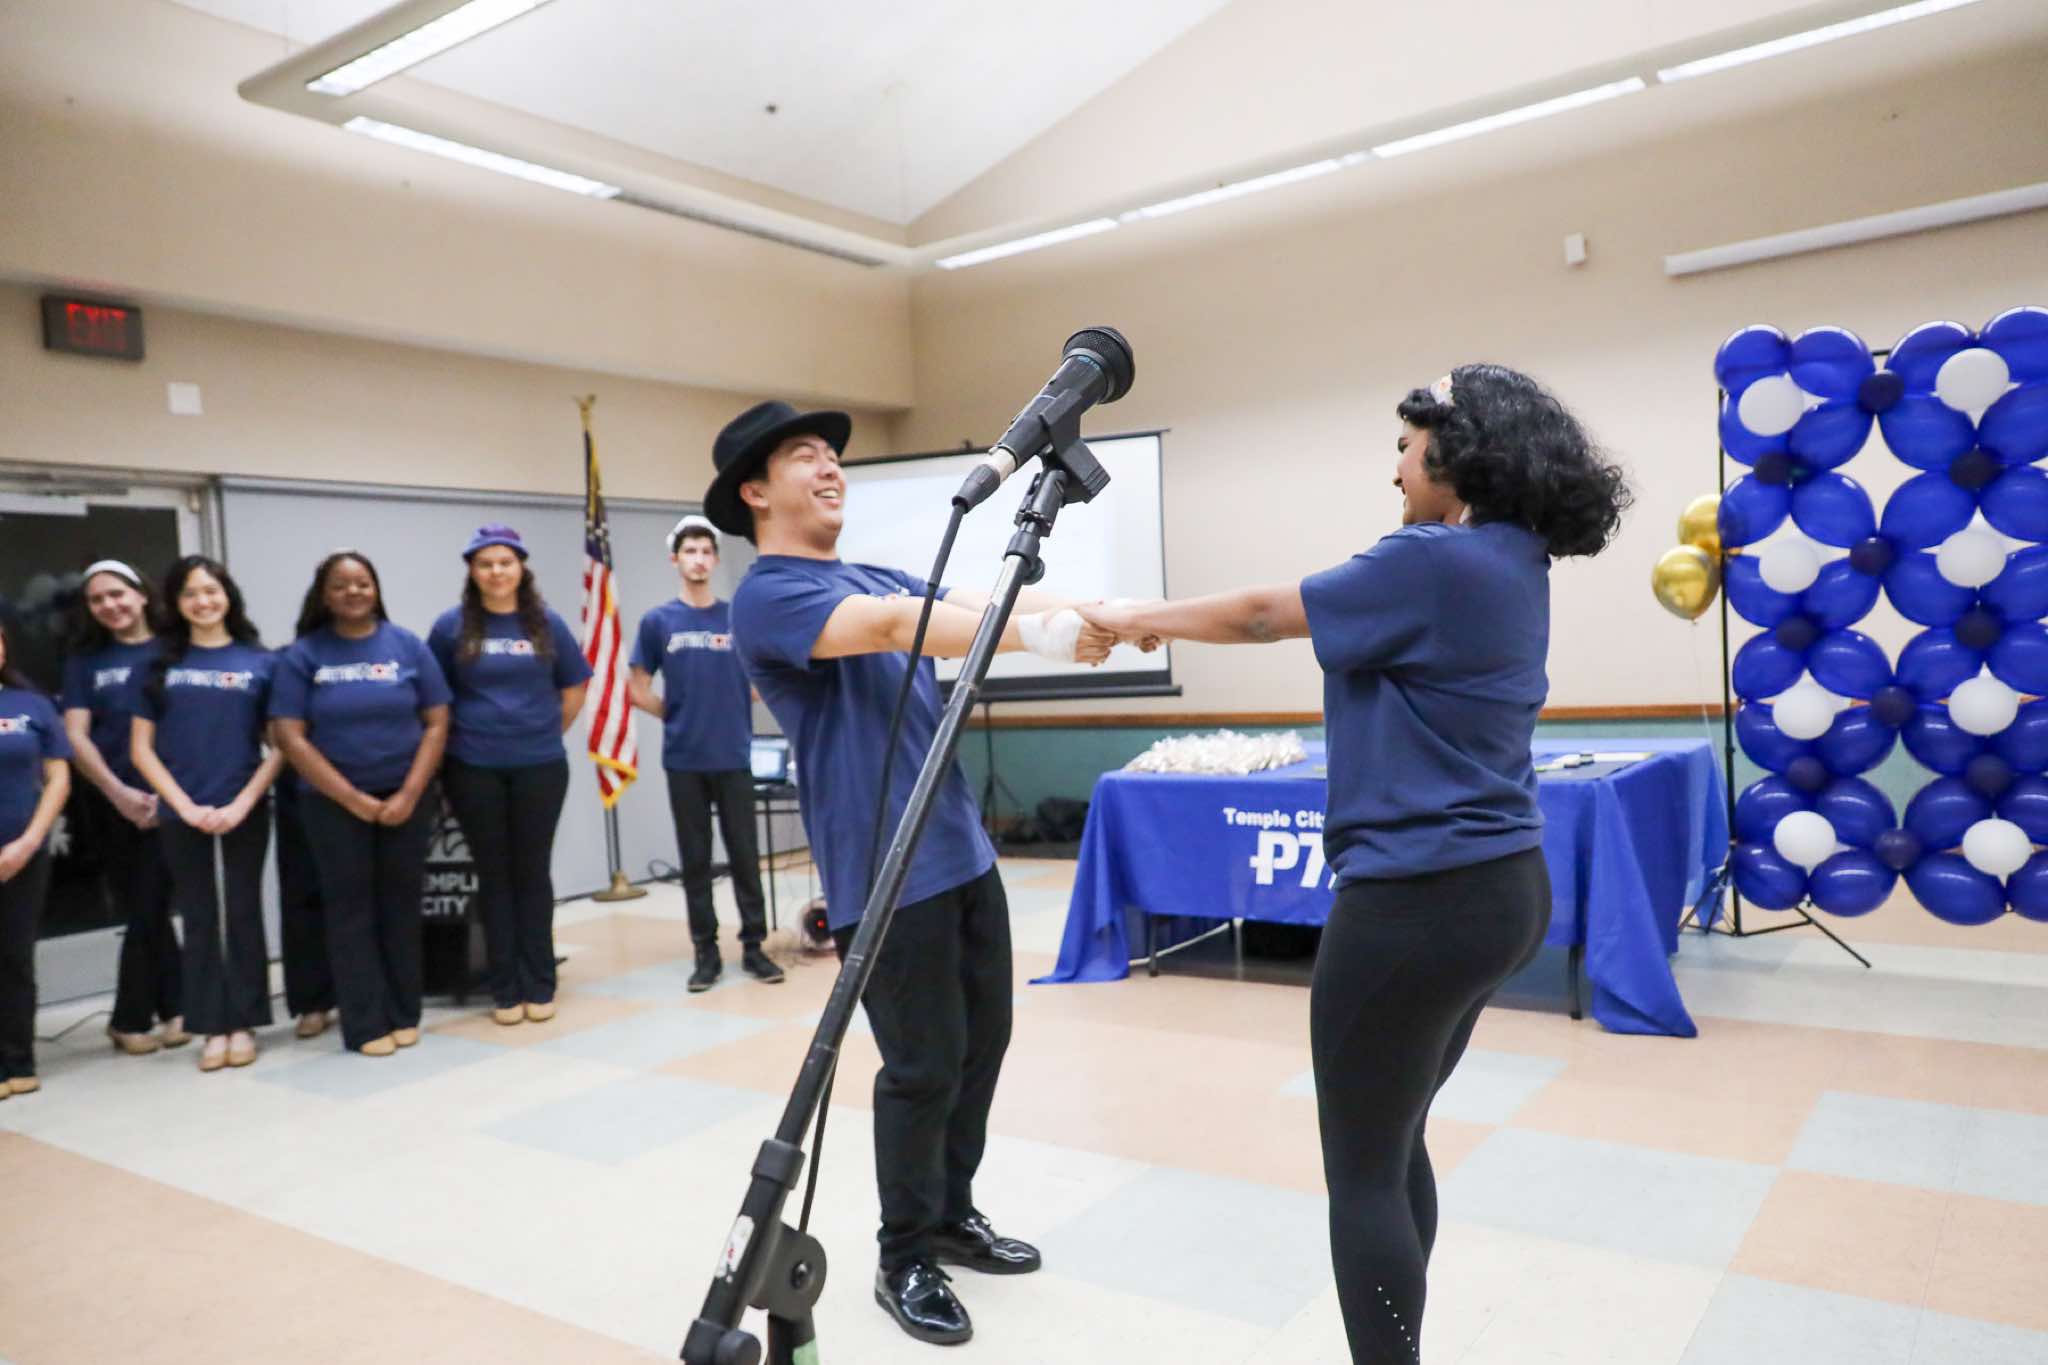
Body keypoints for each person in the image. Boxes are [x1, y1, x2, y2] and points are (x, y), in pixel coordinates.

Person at [1080, 365, 1631, 1364]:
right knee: (1394, 1137)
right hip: (1503, 888)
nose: (1395, 470)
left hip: (1416, 902)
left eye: (1405, 447)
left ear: (1457, 452)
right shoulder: (1513, 560)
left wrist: (1131, 616)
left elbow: (1262, 614)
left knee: (1363, 1172)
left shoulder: (1432, 560)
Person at [712, 400, 1113, 1347]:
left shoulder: (874, 569)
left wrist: (1103, 616)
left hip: (959, 849)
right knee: (924, 1065)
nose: (830, 467)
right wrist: (1041, 636)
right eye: (804, 455)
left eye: (833, 454)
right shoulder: (769, 595)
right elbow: (898, 625)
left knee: (981, 1045)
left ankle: (949, 1214)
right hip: (882, 872)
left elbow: (983, 600)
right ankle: (904, 1256)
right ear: (754, 492)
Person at [273, 551, 452, 1057]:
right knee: (349, 911)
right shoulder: (303, 655)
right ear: (323, 595)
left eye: (362, 583)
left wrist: (410, 792)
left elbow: (437, 721)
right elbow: (289, 736)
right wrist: (351, 798)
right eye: (340, 585)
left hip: (405, 798)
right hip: (331, 804)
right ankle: (366, 1023)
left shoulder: (407, 646)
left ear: (376, 589)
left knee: (400, 906)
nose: (353, 592)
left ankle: (404, 1012)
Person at [428, 525, 590, 1027]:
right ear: (472, 571)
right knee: (494, 876)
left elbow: (575, 688)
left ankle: (540, 982)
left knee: (532, 874)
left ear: (521, 567)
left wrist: (542, 732)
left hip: (539, 765)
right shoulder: (451, 627)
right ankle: (505, 988)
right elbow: (434, 698)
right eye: (485, 564)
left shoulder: (547, 623)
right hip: (473, 767)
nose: (496, 571)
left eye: (505, 562)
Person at [130, 557, 285, 1073]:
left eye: (211, 591)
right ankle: (210, 1025)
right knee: (199, 917)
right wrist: (182, 806)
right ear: (176, 603)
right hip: (182, 810)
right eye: (191, 593)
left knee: (242, 911)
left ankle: (243, 1022)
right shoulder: (157, 664)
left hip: (244, 806)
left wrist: (244, 802)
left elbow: (281, 746)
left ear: (228, 595)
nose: (203, 601)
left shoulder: (260, 662)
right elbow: (141, 750)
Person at [628, 514, 779, 992]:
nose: (698, 559)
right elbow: (637, 688)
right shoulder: (658, 621)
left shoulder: (736, 618)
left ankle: (754, 947)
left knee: (745, 857)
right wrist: (676, 715)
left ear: (714, 560)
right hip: (684, 760)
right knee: (695, 861)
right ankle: (705, 953)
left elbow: (762, 680)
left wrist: (732, 703)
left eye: (705, 551)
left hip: (733, 756)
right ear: (675, 560)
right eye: (689, 552)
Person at [60, 560, 187, 1055]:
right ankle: (165, 1011)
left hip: (172, 797)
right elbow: (76, 736)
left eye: (117, 594)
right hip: (111, 802)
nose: (109, 605)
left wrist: (169, 794)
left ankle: (140, 1015)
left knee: (152, 903)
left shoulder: (173, 649)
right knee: (144, 905)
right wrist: (118, 793)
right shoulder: (85, 661)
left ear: (141, 594)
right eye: (97, 599)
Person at [0, 620, 73, 1099]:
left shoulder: (32, 704)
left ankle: (18, 1059)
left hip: (24, 851)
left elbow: (58, 778)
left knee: (15, 957)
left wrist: (29, 842)